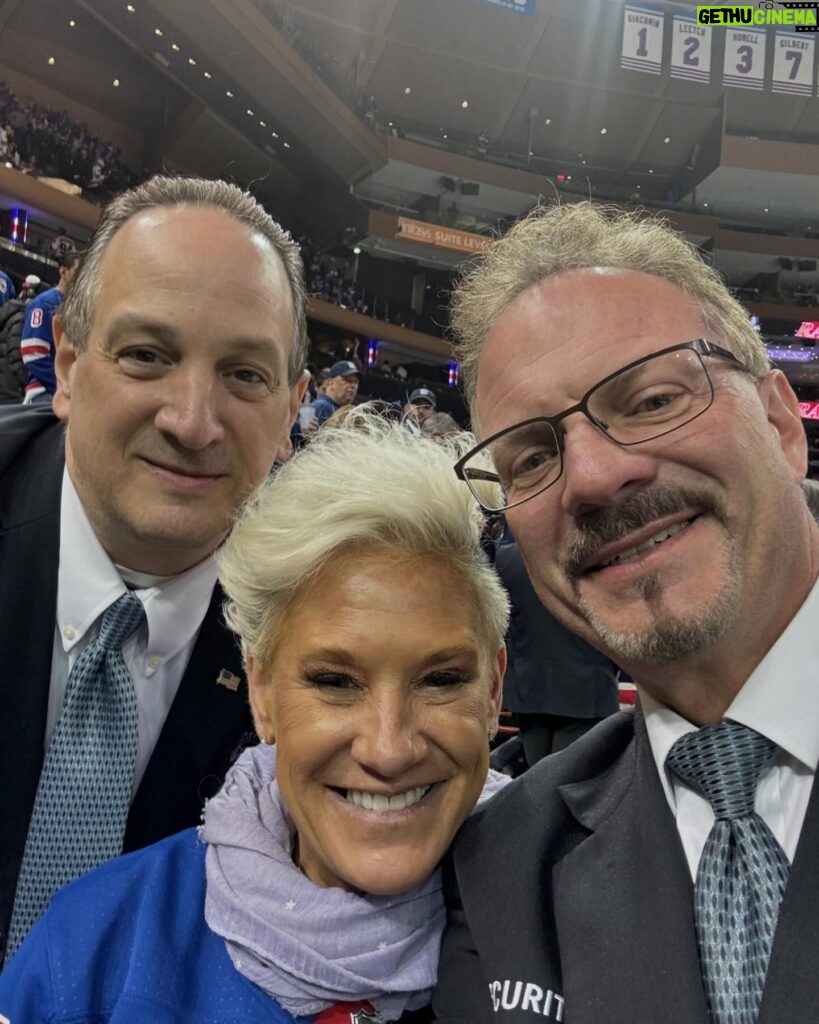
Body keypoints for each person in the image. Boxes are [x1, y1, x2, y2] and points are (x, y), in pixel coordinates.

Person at [433, 201, 819, 1022]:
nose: (595, 477)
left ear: (783, 424)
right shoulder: (500, 868)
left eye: (648, 400)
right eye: (533, 455)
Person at [0, 411, 511, 1023]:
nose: (388, 747)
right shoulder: (92, 946)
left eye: (441, 680)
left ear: (494, 691)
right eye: (334, 682)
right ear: (262, 692)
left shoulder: (578, 923)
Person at [0, 174, 309, 962]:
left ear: (290, 413)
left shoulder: (317, 628)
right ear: (67, 363)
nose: (192, 421)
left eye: (245, 375)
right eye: (146, 355)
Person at [494, 539, 618, 767]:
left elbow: (504, 627)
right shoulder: (595, 551)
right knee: (578, 786)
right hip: (587, 690)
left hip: (529, 690)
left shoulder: (507, 557)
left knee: (539, 783)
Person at [20, 250, 79, 404]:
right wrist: (63, 385)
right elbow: (32, 354)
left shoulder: (79, 307)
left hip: (68, 393)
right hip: (45, 392)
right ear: (63, 271)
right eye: (77, 271)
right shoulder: (44, 303)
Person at [313, 359, 360, 424]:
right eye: (348, 380)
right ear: (331, 383)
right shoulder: (320, 407)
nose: (353, 386)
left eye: (356, 382)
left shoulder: (353, 410)